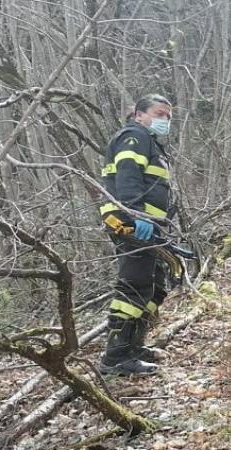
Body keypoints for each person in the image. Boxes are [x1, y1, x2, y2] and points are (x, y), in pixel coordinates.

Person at [98, 94, 174, 375]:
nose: (164, 119)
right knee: (134, 284)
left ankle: (134, 345)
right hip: (131, 222)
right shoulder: (134, 136)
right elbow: (127, 175)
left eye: (168, 115)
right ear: (140, 114)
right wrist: (136, 214)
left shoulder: (150, 142)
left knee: (155, 283)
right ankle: (115, 356)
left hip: (149, 224)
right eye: (159, 113)